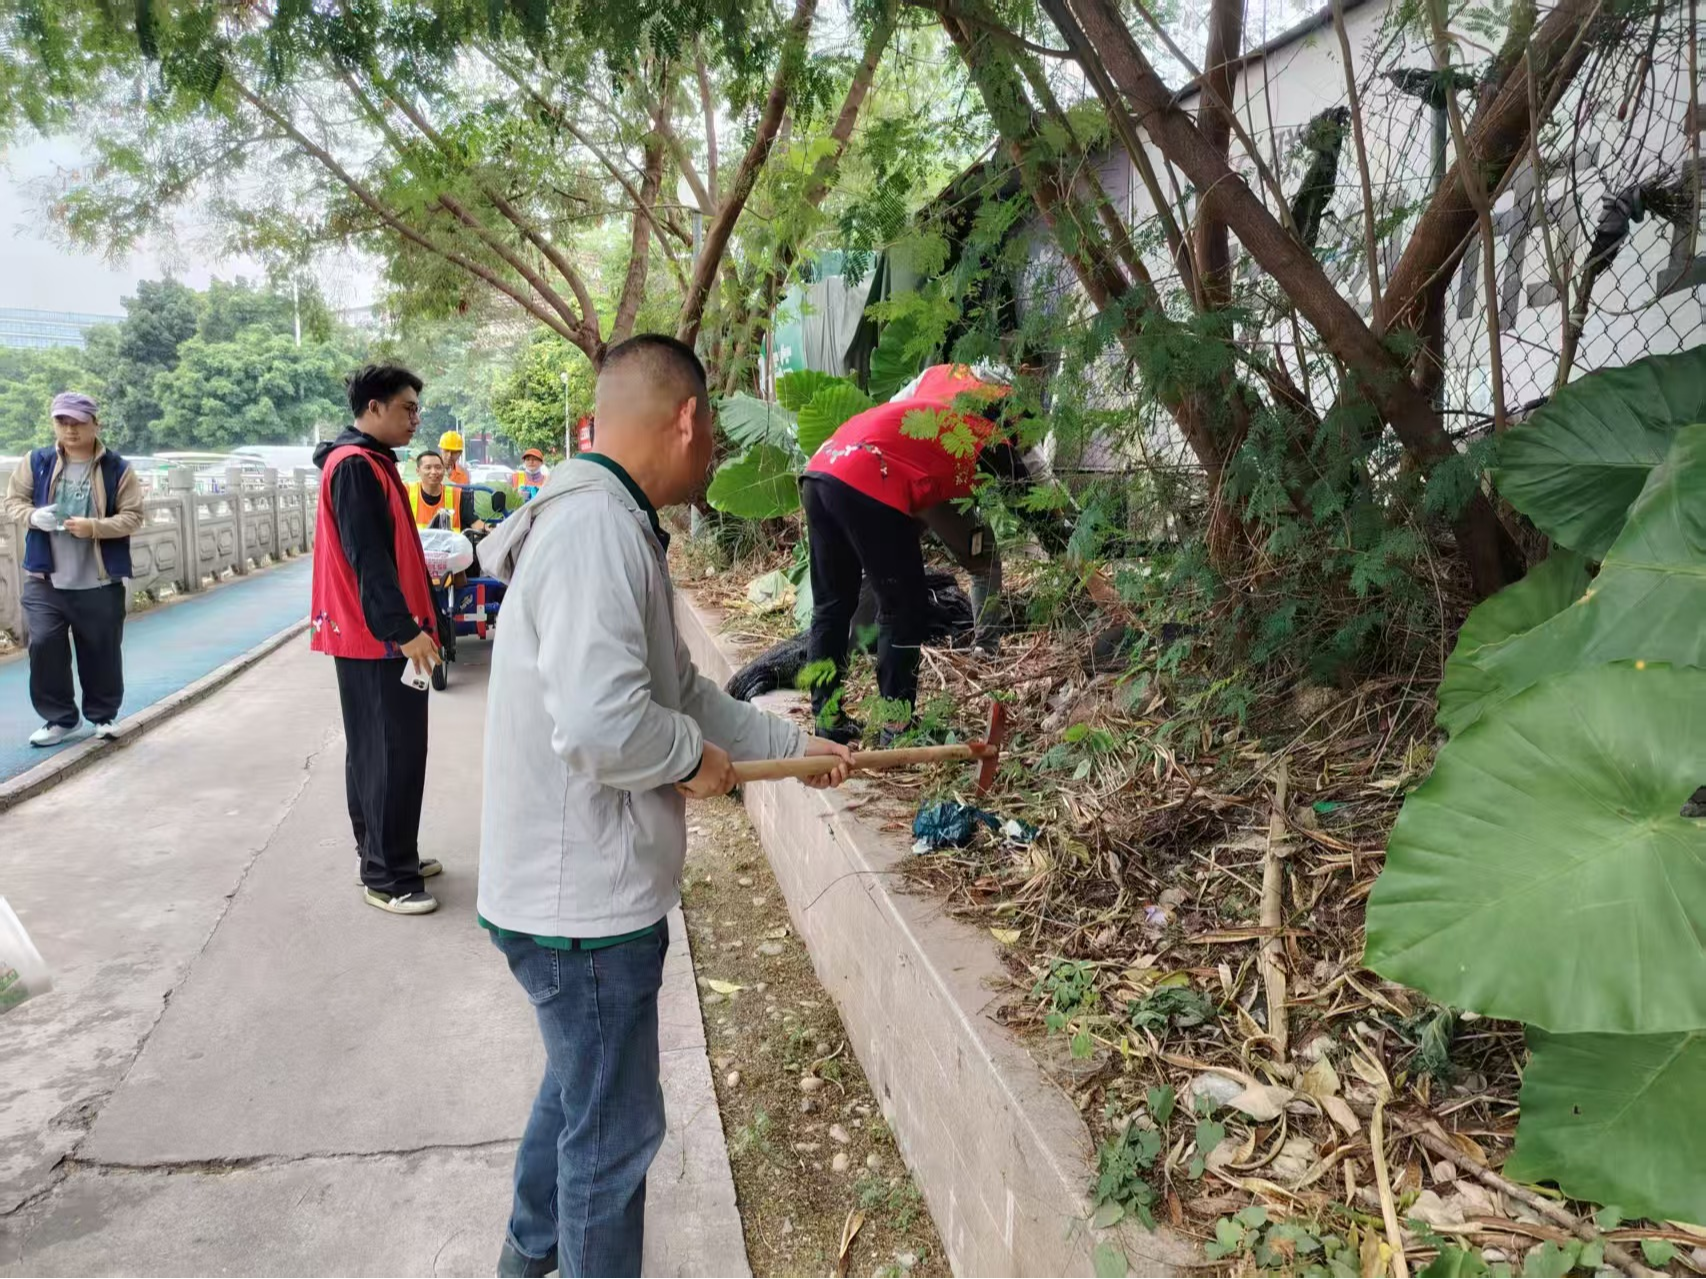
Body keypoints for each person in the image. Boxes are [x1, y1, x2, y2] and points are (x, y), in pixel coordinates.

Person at [476, 333, 853, 1279]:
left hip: (564, 901)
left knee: (578, 1097)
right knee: (613, 1140)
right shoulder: (598, 529)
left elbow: (678, 690)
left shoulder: (607, 518)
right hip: (582, 913)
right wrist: (699, 762)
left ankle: (524, 1263)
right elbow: (609, 726)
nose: (718, 447)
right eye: (714, 424)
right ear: (685, 418)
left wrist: (789, 747)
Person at [801, 378, 1023, 741]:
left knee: (831, 607)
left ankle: (827, 720)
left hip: (820, 471)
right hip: (867, 479)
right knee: (903, 608)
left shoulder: (931, 414)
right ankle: (896, 726)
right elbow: (1025, 497)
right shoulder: (986, 435)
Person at [310, 364, 445, 916]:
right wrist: (405, 631)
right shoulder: (355, 468)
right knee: (390, 752)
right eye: (407, 408)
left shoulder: (370, 463)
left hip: (377, 638)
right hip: (376, 640)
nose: (416, 418)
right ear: (373, 408)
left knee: (379, 751)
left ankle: (389, 853)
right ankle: (387, 877)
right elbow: (370, 562)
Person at [4, 392, 144, 747]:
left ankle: (103, 716)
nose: (69, 429)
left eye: (77, 422)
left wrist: (95, 527)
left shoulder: (118, 468)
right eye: (62, 422)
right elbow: (13, 502)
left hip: (98, 579)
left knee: (101, 650)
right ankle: (60, 718)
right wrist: (34, 517)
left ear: (95, 423)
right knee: (45, 645)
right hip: (45, 578)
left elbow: (133, 516)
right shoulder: (37, 462)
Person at [407, 448, 484, 534]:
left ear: (444, 470)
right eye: (428, 467)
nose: (434, 472)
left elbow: (476, 524)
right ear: (418, 471)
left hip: (449, 547)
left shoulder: (458, 496)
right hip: (415, 547)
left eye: (438, 467)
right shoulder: (406, 492)